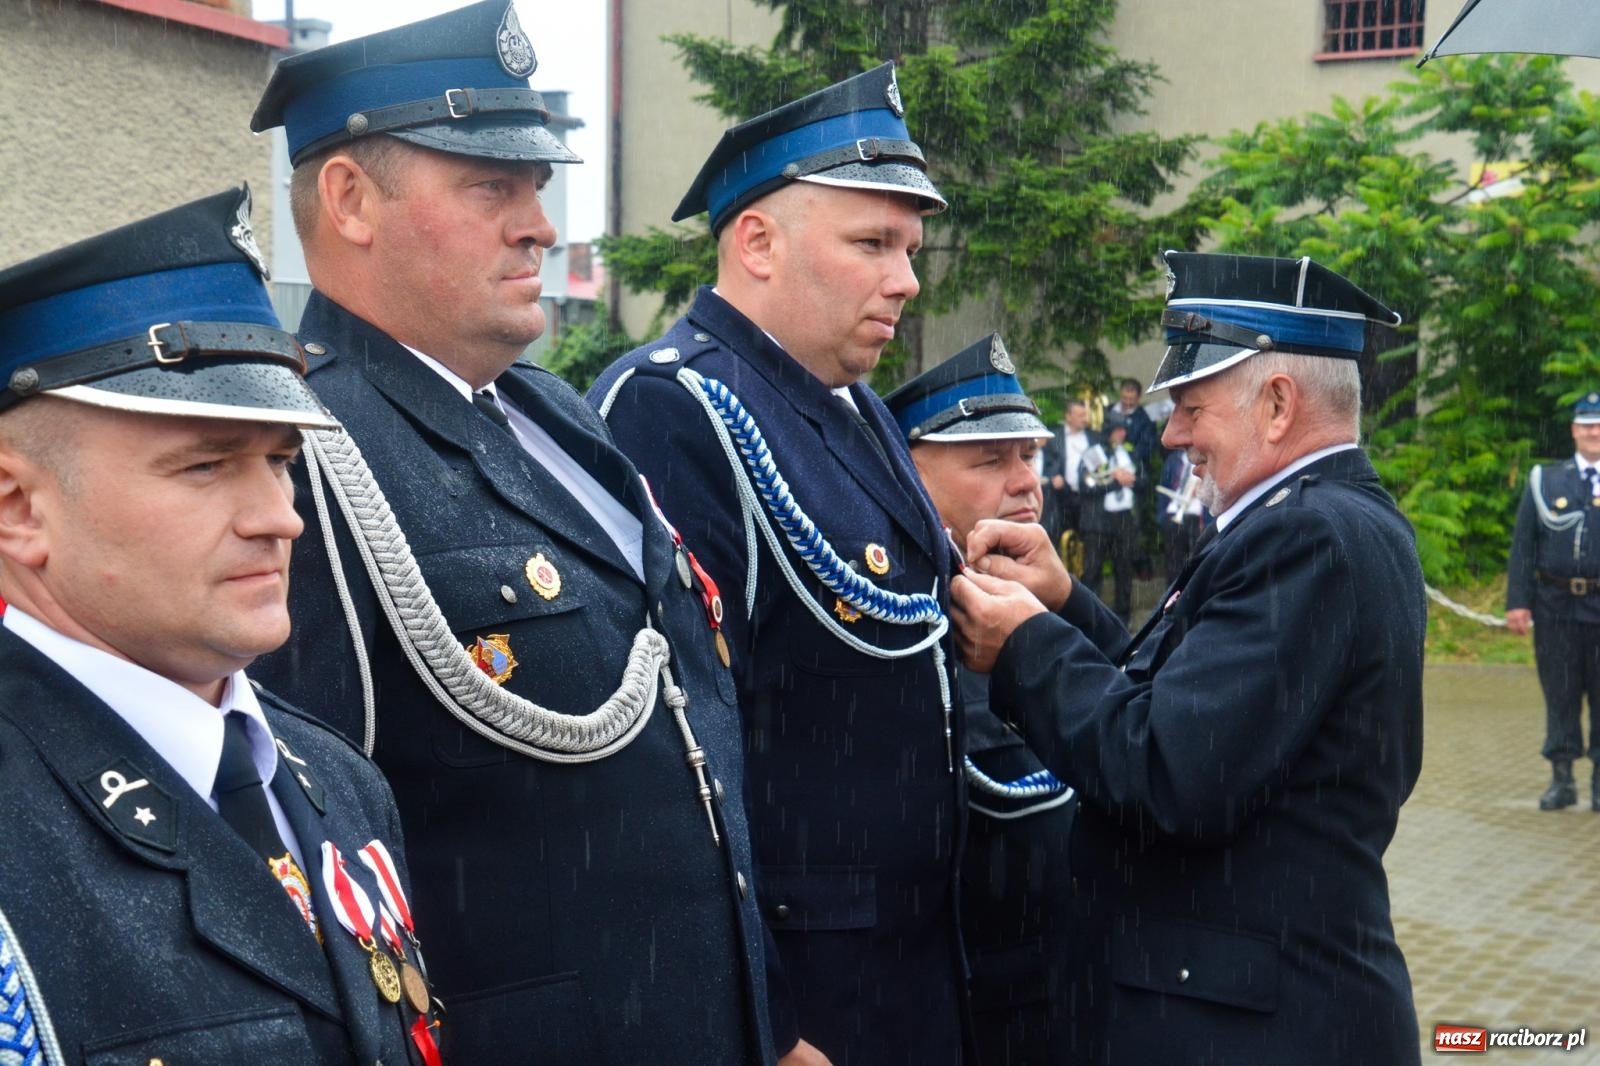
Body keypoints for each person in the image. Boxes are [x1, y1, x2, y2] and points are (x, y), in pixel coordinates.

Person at [247, 5, 774, 1062]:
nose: (539, 223)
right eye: (492, 187)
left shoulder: (550, 411)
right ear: (349, 200)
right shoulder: (302, 450)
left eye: (536, 186)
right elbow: (304, 845)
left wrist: (769, 1017)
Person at [949, 251, 1426, 1065]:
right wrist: (1068, 606)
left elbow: (1170, 770)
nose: (1173, 434)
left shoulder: (1303, 536)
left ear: (1277, 404)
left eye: (1191, 406)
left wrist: (1025, 646)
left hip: (1251, 1026)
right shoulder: (1320, 517)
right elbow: (1193, 701)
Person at [0, 189, 439, 1063]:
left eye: (279, 464)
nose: (281, 518)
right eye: (206, 465)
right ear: (18, 509)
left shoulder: (337, 781)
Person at [589, 65, 967, 1066]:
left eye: (909, 249)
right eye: (871, 244)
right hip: (809, 988)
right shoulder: (674, 408)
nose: (906, 280)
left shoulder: (855, 403)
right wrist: (769, 1015)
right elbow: (677, 754)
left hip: (910, 963)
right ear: (755, 242)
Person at [883, 334, 1080, 1065]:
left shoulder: (1053, 612)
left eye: (1030, 454)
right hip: (962, 1009)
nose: (1026, 481)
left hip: (1066, 996)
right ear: (907, 472)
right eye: (991, 460)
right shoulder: (895, 630)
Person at [1505, 391, 1600, 811]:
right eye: (1585, 425)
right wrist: (1518, 602)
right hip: (1555, 605)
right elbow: (1524, 544)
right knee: (1560, 693)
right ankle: (1562, 779)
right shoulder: (1546, 480)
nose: (1593, 431)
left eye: (1598, 425)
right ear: (1573, 431)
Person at [1077, 420, 1140, 622]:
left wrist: (1132, 480)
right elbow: (1086, 486)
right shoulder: (1094, 452)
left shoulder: (1129, 452)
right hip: (1098, 521)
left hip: (1124, 519)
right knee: (1092, 571)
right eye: (1118, 429)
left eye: (1124, 430)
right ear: (1108, 431)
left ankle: (1123, 619)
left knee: (1124, 569)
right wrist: (1115, 482)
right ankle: (1089, 618)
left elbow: (1144, 481)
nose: (1122, 433)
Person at [1039, 398, 1095, 562]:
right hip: (1061, 496)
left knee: (1088, 544)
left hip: (1087, 497)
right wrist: (1052, 478)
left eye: (1085, 415)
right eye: (1080, 415)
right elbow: (1044, 464)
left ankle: (1084, 583)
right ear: (1068, 416)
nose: (1084, 419)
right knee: (1056, 540)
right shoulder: (1054, 436)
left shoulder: (1093, 437)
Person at [1157, 444, 1206, 583]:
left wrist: (1202, 489)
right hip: (1173, 515)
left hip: (1195, 517)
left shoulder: (1206, 461)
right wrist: (1162, 517)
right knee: (1173, 565)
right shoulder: (1174, 460)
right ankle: (1172, 601)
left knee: (1195, 563)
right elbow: (1165, 486)